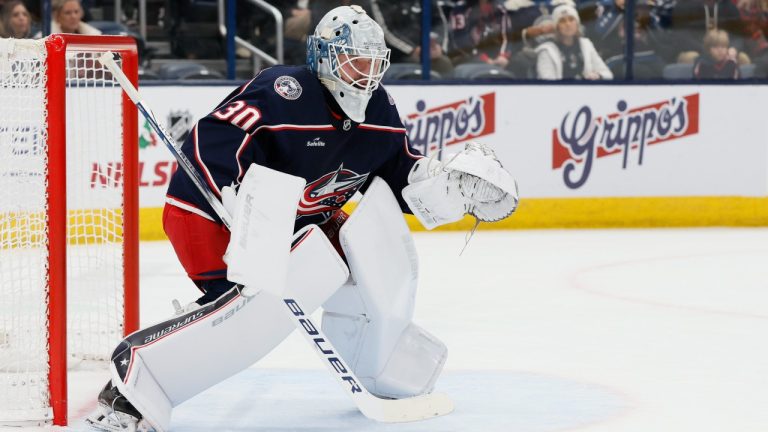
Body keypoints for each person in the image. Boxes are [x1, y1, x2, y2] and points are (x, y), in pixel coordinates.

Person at [86, 5, 518, 431]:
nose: (366, 72)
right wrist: (231, 197)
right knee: (244, 314)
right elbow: (211, 137)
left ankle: (381, 367)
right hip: (211, 214)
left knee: (366, 263)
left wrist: (443, 186)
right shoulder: (285, 91)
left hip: (296, 225)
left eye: (373, 60)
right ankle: (130, 392)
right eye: (355, 59)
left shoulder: (380, 108)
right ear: (326, 57)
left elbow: (396, 171)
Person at [535, 3, 613, 79]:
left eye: (571, 19)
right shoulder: (547, 50)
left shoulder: (586, 44)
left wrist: (598, 76)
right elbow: (547, 85)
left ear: (577, 24)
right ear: (557, 27)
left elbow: (607, 74)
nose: (568, 24)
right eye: (562, 21)